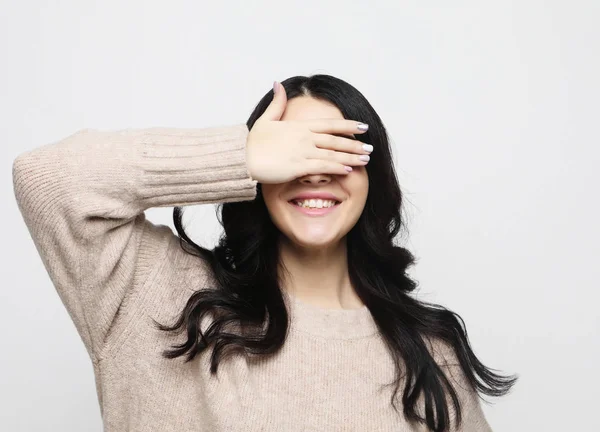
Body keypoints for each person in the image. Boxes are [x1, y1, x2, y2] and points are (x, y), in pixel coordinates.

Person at [12, 74, 517, 432]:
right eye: (295, 152)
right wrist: (240, 154)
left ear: (374, 176)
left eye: (337, 150)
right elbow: (47, 179)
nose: (315, 171)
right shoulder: (154, 290)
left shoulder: (428, 351)